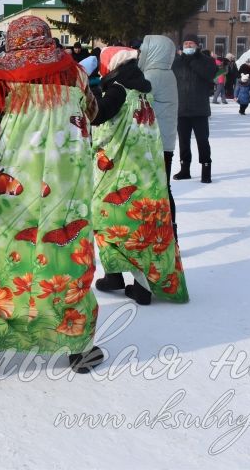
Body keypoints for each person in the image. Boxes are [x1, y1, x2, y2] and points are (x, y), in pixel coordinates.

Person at [0, 16, 107, 378]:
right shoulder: (72, 72)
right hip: (63, 188)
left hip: (10, 189)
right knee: (65, 259)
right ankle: (78, 347)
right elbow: (92, 112)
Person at [91, 47, 189, 306]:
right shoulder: (142, 85)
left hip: (120, 167)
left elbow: (99, 117)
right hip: (145, 166)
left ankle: (127, 281)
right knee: (138, 224)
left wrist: (84, 97)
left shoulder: (118, 88)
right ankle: (127, 281)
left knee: (108, 218)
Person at [138, 35, 179, 235]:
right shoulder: (167, 72)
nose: (140, 53)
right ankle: (171, 232)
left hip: (154, 141)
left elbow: (138, 103)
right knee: (165, 187)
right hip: (166, 139)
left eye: (144, 49)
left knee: (155, 189)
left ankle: (160, 232)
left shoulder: (153, 75)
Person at [172, 37, 214, 183]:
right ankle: (185, 170)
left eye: (191, 43)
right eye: (185, 43)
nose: (188, 45)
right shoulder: (176, 62)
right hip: (181, 108)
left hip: (199, 109)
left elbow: (210, 75)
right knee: (183, 141)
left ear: (198, 46)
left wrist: (193, 62)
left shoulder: (206, 60)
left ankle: (206, 169)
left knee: (202, 140)